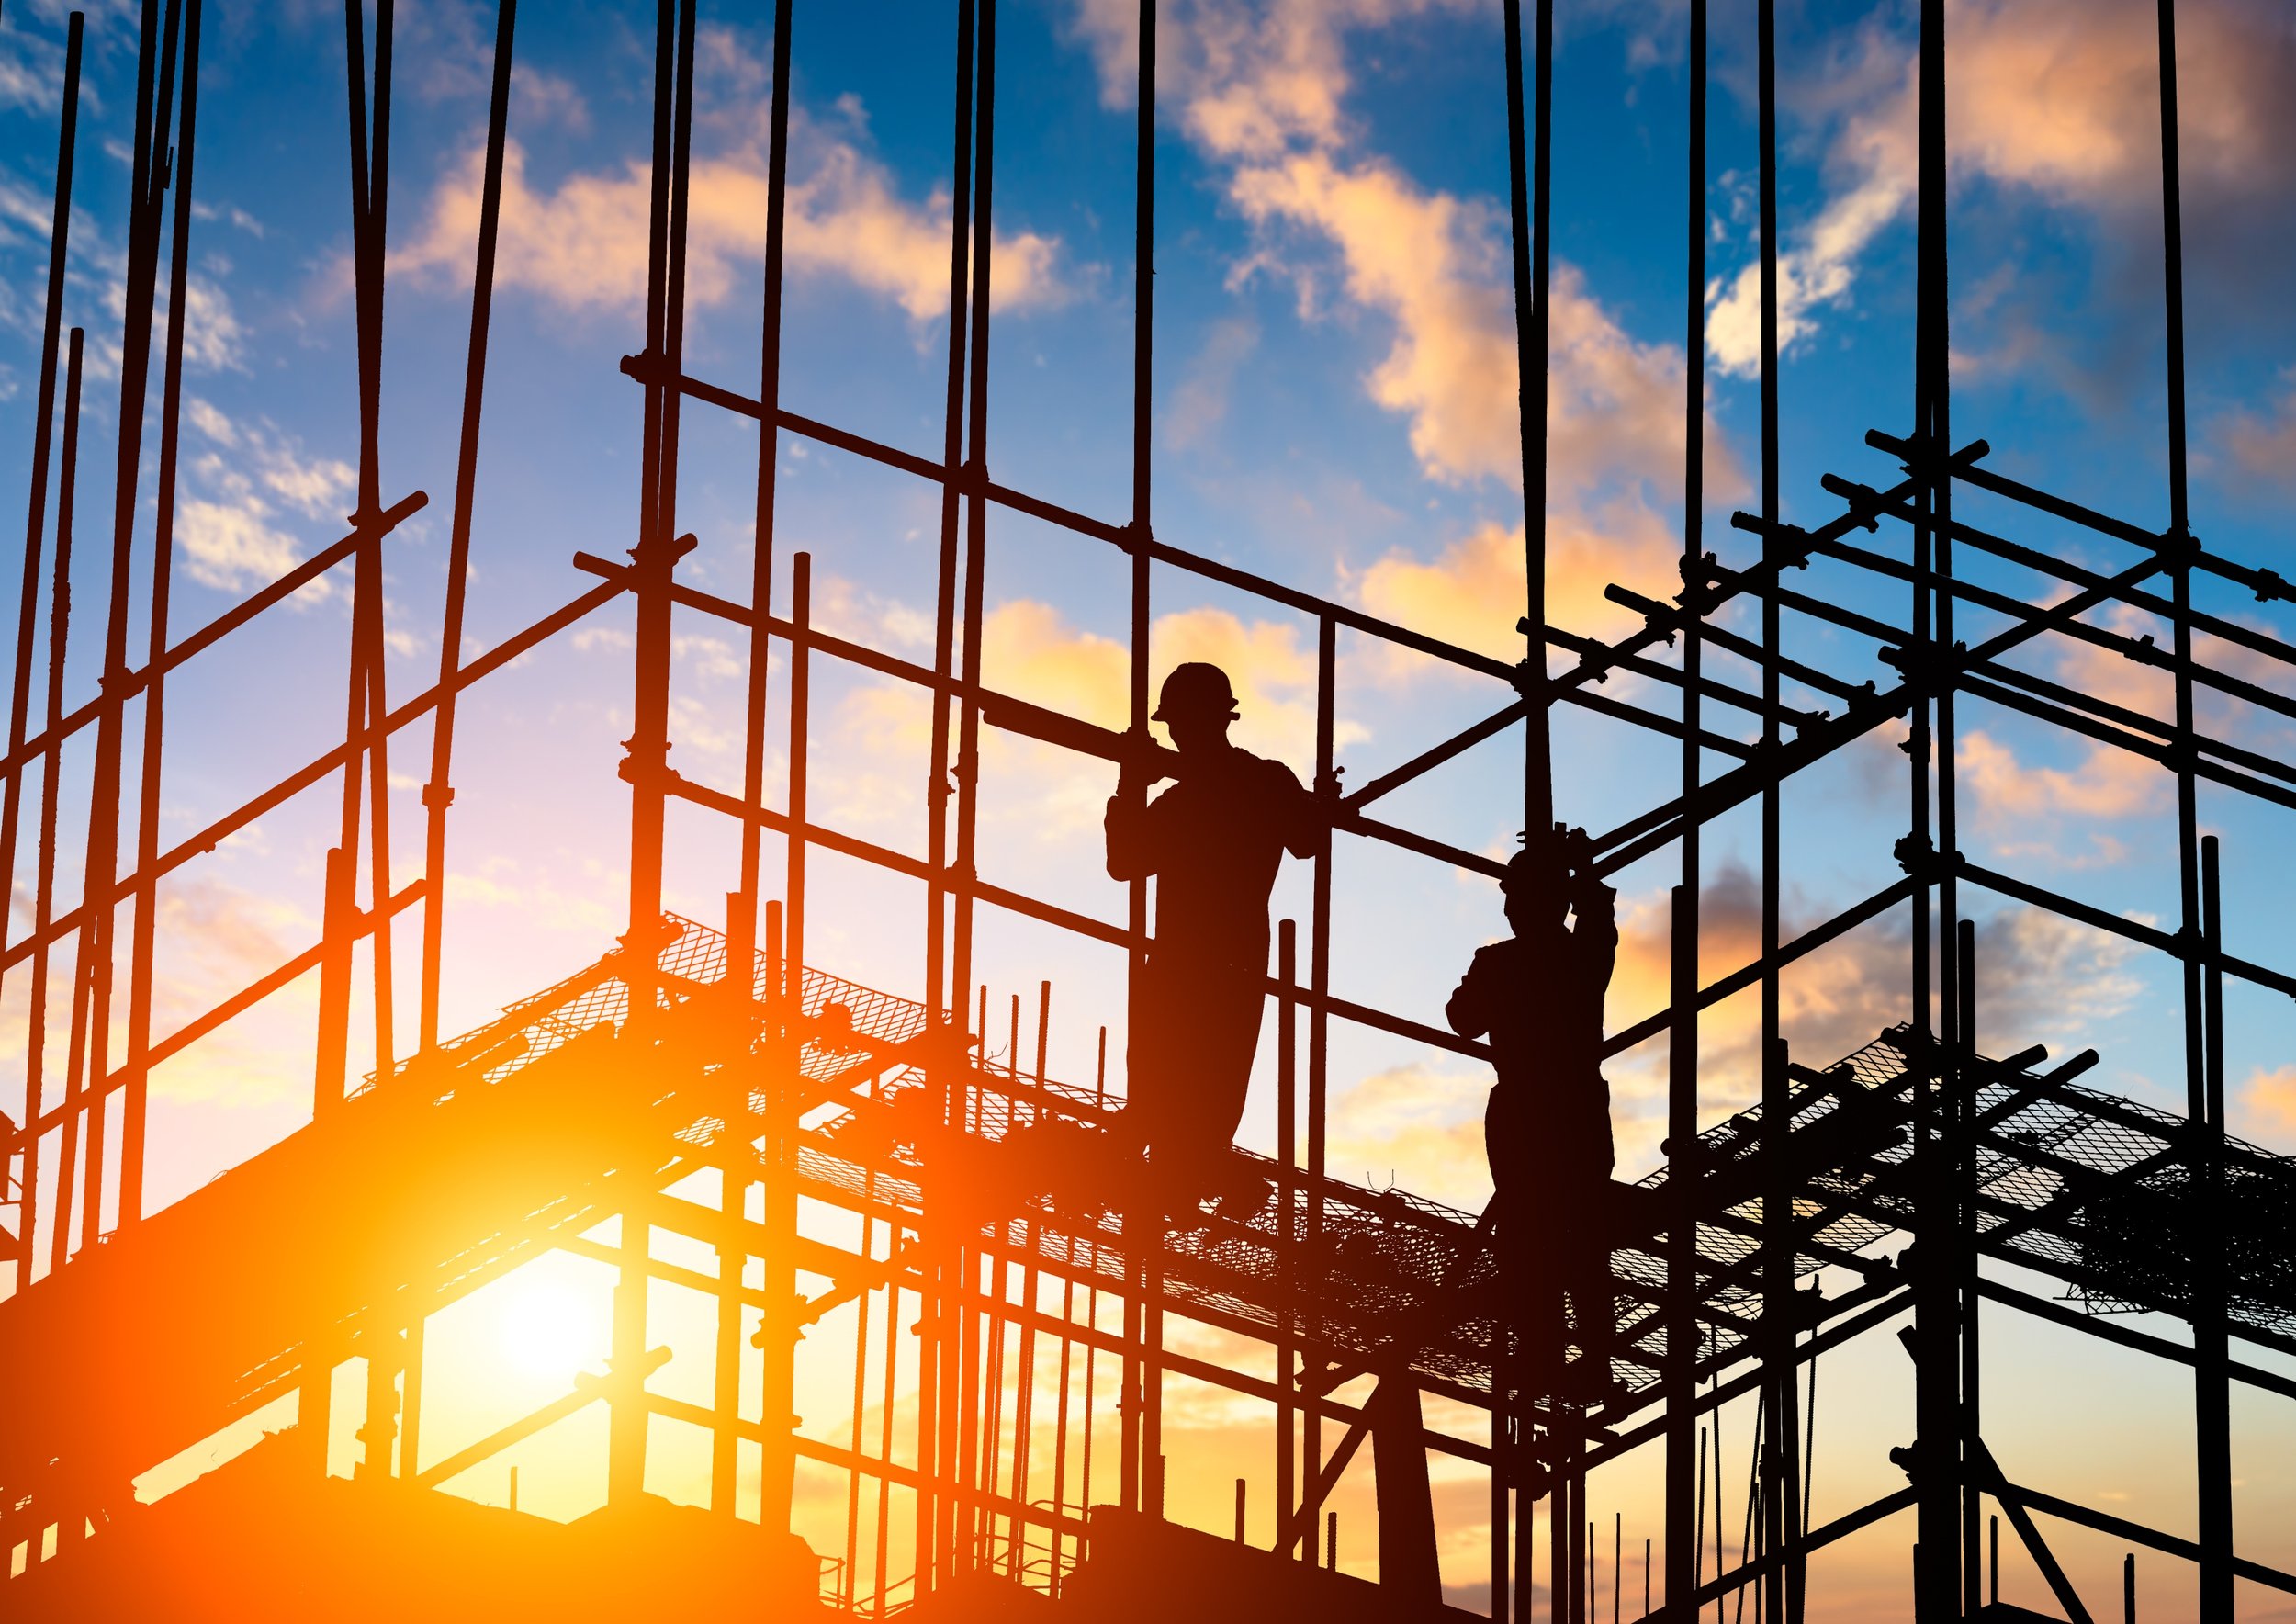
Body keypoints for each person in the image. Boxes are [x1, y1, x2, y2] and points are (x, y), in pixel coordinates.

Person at [1105, 662, 1322, 1217]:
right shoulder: (1260, 782)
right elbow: (1307, 840)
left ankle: (1179, 1176)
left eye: (1180, 724)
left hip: (1192, 958)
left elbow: (1123, 861)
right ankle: (1185, 1172)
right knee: (1200, 1076)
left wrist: (1131, 782)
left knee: (1185, 1074)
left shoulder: (1190, 800)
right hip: (1227, 957)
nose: (1179, 736)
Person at [1445, 824, 1620, 1397]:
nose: (1509, 906)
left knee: (1538, 1238)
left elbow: (1463, 1017)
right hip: (1570, 1108)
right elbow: (1598, 918)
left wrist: (1580, 874)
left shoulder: (1501, 964)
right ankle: (1583, 1359)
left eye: (1515, 896)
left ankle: (1553, 1355)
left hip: (1531, 1109)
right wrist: (1583, 871)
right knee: (1575, 1238)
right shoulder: (1579, 954)